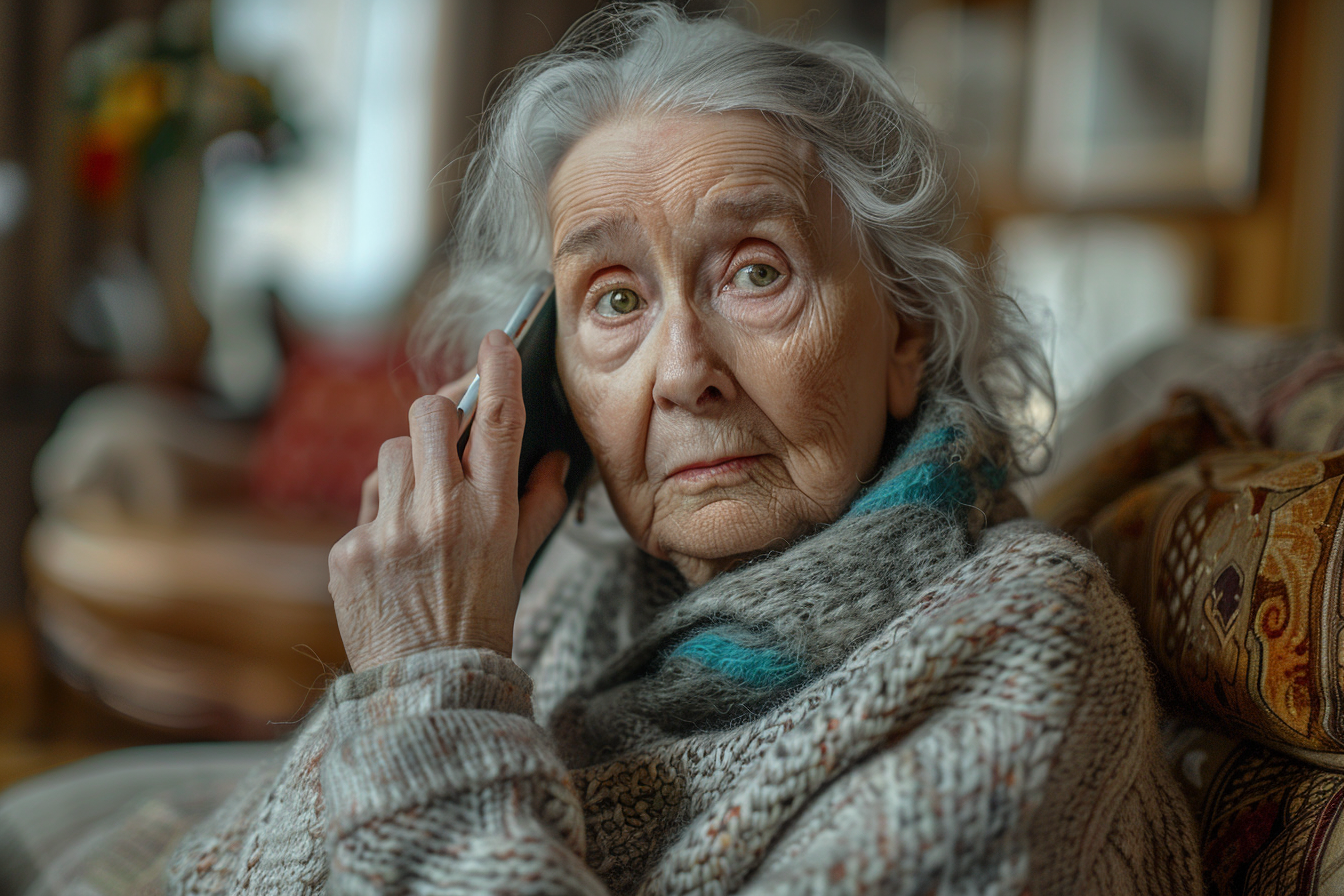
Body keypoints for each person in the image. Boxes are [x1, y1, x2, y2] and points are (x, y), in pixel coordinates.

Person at [9, 5, 1202, 894]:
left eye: (755, 271)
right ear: (551, 371)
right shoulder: (589, 577)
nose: (683, 369)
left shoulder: (1022, 643)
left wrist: (427, 687)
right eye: (614, 300)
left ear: (908, 331)